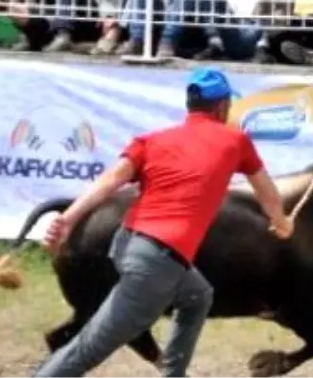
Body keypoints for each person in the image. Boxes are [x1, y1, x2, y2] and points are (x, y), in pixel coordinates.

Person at [33, 67, 296, 378]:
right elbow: (266, 190)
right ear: (223, 106)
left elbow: (110, 179)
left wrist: (69, 217)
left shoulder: (153, 140)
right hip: (156, 259)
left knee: (197, 297)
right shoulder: (235, 140)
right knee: (90, 347)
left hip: (128, 244)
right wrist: (281, 222)